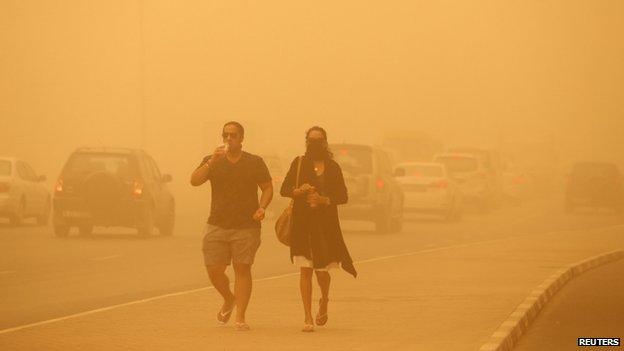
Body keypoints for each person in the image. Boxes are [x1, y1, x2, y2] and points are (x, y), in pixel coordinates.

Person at [190, 121, 273, 331]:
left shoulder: (254, 162)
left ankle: (240, 317)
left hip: (246, 225)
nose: (229, 139)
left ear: (242, 139)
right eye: (226, 135)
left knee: (242, 269)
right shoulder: (213, 160)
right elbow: (194, 180)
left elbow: (267, 187)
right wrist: (211, 162)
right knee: (214, 269)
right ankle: (229, 298)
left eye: (233, 135)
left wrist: (262, 207)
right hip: (217, 223)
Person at [280, 126, 357, 332]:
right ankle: (307, 317)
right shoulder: (298, 163)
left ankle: (324, 299)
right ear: (306, 142)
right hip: (302, 226)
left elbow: (343, 196)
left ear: (325, 142)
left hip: (325, 227)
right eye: (310, 140)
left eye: (319, 140)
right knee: (305, 270)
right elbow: (284, 189)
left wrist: (324, 200)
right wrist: (299, 191)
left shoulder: (333, 167)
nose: (314, 143)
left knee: (322, 273)